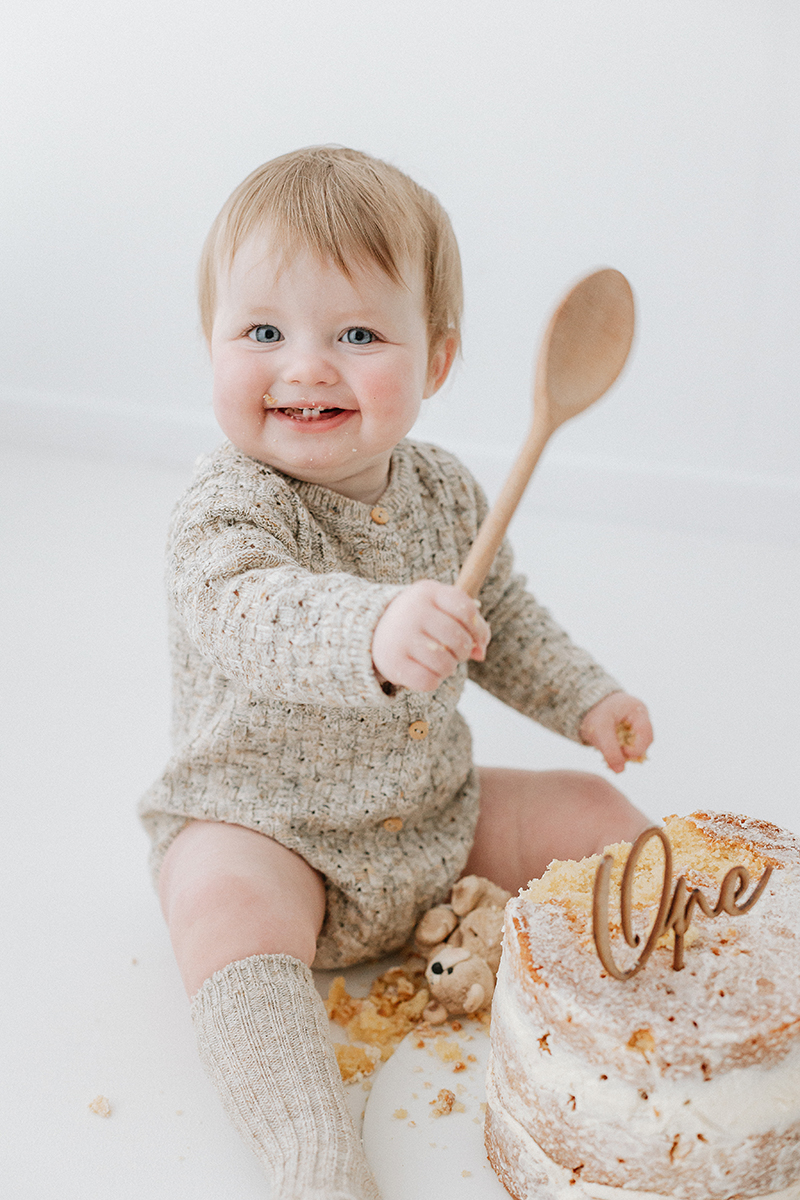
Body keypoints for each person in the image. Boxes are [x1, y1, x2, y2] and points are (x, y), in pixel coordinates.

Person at [140, 145, 653, 1199]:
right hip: (266, 824)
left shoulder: (449, 493)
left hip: (425, 817)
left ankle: (676, 999)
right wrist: (373, 628)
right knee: (217, 899)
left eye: (358, 334)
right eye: (263, 332)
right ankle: (308, 1145)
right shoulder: (223, 509)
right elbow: (249, 610)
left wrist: (588, 698)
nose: (306, 365)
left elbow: (499, 621)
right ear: (211, 345)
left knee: (596, 813)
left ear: (437, 363)